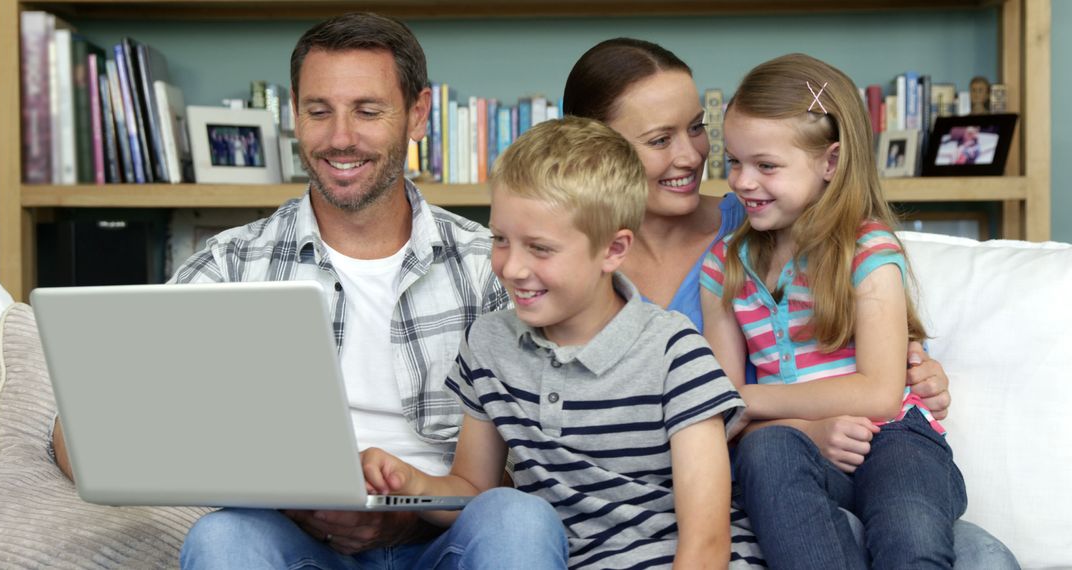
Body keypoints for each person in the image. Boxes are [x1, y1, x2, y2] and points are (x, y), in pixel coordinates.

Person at [84, 12, 564, 569]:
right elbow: (90, 429)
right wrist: (282, 502)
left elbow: (542, 462)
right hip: (297, 545)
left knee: (521, 519)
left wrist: (411, 508)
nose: (341, 138)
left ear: (418, 114)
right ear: (293, 114)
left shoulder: (492, 267)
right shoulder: (232, 263)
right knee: (224, 537)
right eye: (319, 111)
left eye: (367, 110)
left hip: (442, 542)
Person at [562, 38, 1016, 568]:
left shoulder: (758, 222)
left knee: (982, 556)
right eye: (660, 138)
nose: (691, 156)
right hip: (729, 482)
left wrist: (910, 366)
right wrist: (800, 428)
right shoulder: (562, 259)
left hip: (848, 455)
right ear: (596, 147)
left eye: (695, 128)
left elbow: (860, 372)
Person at [362, 116, 746, 568]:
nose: (512, 268)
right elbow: (474, 492)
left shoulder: (675, 353)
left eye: (540, 249)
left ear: (613, 250)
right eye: (501, 239)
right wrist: (413, 484)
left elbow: (707, 545)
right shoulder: (489, 344)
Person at [700, 52, 966, 568]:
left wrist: (746, 396)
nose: (742, 182)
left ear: (831, 162)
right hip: (795, 451)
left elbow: (880, 394)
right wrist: (791, 423)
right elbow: (723, 416)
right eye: (734, 161)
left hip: (895, 441)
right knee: (764, 451)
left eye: (766, 165)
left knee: (909, 534)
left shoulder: (868, 252)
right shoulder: (725, 267)